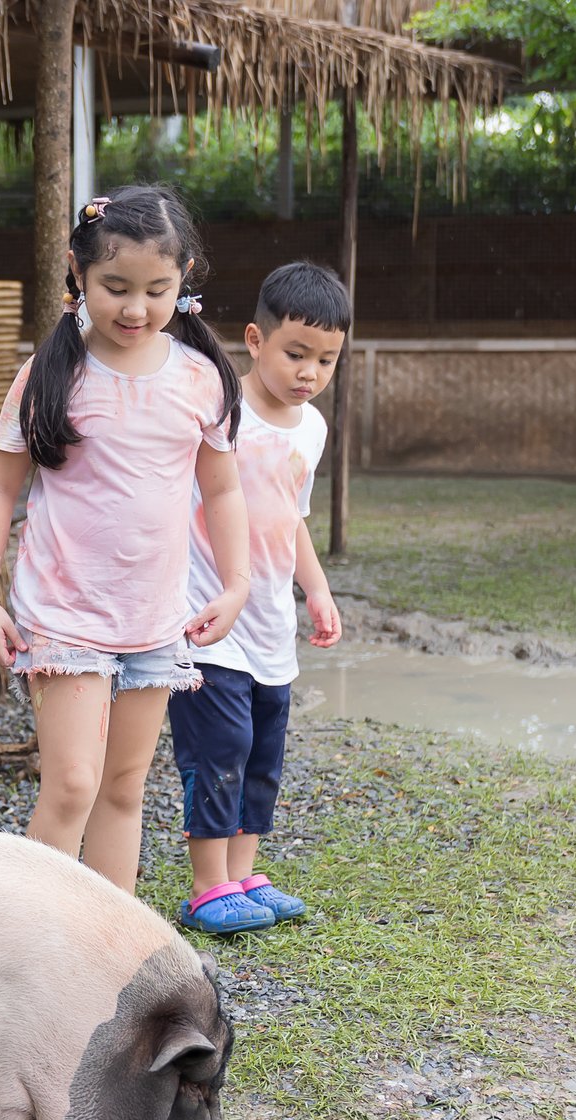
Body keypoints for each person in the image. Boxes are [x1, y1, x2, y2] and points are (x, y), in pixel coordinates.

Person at [0, 187, 253, 892]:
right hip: (64, 613)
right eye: (115, 287)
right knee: (71, 786)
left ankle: (105, 954)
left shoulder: (200, 378)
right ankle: (29, 945)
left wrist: (237, 584)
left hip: (156, 619)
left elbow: (221, 488)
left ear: (184, 276)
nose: (135, 308)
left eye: (158, 290)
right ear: (77, 274)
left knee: (124, 791)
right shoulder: (49, 376)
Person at [168, 261, 349, 934]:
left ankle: (243, 874)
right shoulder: (221, 414)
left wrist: (318, 591)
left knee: (262, 754)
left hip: (272, 619)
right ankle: (207, 886)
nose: (309, 372)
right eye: (296, 353)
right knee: (219, 748)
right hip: (209, 615)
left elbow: (291, 518)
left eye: (326, 360)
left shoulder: (313, 429)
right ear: (256, 340)